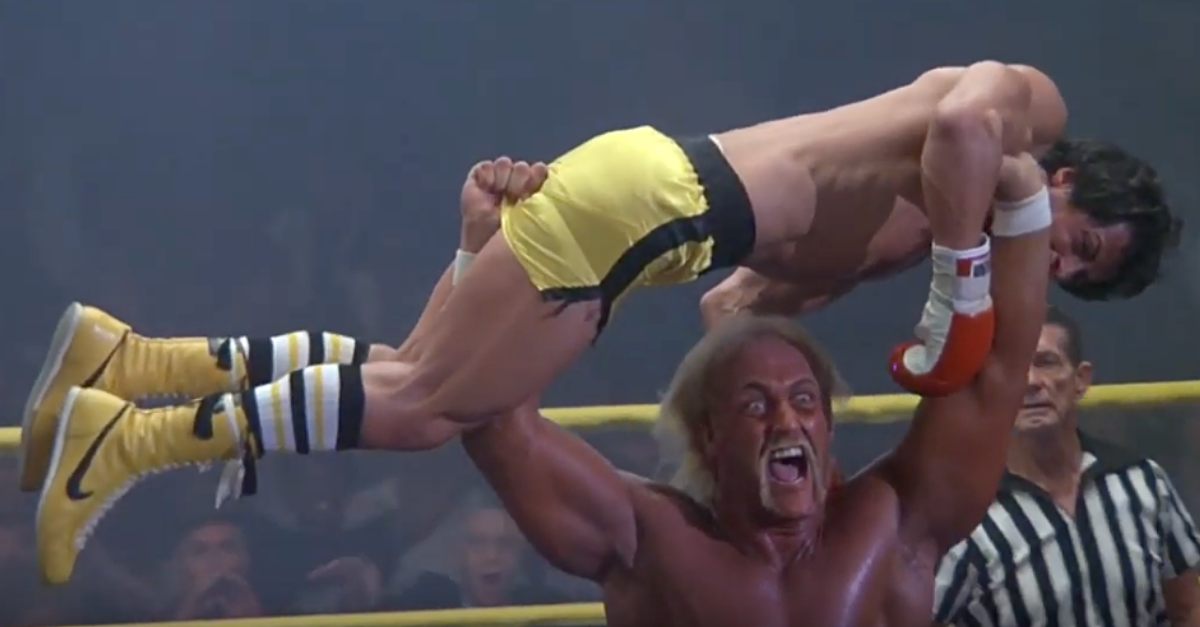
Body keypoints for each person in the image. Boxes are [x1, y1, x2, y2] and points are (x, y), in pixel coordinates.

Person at [25, 62, 1132, 579]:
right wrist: (964, 286)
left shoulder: (894, 231)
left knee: (414, 371)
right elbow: (966, 129)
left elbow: (731, 304)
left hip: (659, 226)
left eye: (1078, 273)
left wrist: (779, 405)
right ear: (1072, 180)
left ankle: (131, 362)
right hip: (657, 206)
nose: (1063, 262)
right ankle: (130, 441)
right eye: (1081, 240)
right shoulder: (1025, 111)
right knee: (424, 410)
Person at [448, 177, 1051, 626]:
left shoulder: (889, 522)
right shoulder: (648, 538)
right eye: (756, 407)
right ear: (709, 435)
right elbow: (498, 426)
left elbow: (995, 372)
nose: (787, 421)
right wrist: (487, 252)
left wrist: (1019, 195)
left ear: (827, 423)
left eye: (804, 401)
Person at [933, 306, 1200, 627]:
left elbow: (1188, 608)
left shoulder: (1142, 483)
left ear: (1080, 379)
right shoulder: (963, 516)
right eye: (1014, 368)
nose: (1031, 382)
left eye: (1046, 362)